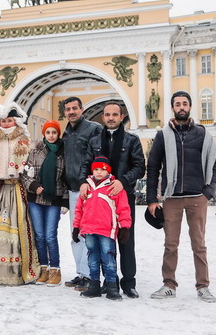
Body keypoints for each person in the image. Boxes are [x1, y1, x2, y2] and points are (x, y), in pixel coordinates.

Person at [147, 90, 216, 303]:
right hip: (172, 198)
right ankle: (169, 284)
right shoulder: (162, 135)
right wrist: (152, 199)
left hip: (198, 196)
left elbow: (215, 163)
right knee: (171, 244)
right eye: (177, 104)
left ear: (189, 107)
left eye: (185, 103)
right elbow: (153, 167)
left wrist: (209, 192)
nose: (181, 107)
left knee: (199, 243)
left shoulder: (202, 134)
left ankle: (203, 286)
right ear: (172, 108)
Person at [78, 102, 145, 298]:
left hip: (123, 196)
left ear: (122, 116)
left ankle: (128, 282)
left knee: (126, 239)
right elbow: (86, 164)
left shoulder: (132, 140)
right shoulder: (95, 141)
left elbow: (140, 166)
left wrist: (123, 181)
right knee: (102, 241)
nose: (110, 118)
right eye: (107, 114)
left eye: (115, 114)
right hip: (98, 200)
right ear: (103, 117)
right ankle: (108, 281)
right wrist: (83, 182)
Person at [0, 102, 40, 285]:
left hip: (17, 188)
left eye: (9, 120)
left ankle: (17, 272)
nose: (5, 124)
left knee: (18, 227)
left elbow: (31, 163)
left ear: (16, 121)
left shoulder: (24, 141)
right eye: (3, 121)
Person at [73, 156, 131, 300]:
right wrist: (76, 227)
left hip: (106, 230)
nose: (99, 172)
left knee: (108, 258)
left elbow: (123, 208)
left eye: (102, 169)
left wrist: (125, 227)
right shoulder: (87, 187)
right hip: (89, 230)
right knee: (92, 258)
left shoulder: (113, 187)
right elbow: (79, 209)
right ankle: (94, 286)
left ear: (108, 171)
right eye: (96, 169)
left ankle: (112, 286)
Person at [20, 120, 68, 287]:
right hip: (36, 199)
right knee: (39, 235)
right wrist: (33, 186)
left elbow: (66, 179)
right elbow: (24, 174)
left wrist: (65, 202)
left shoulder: (63, 153)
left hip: (54, 199)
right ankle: (43, 268)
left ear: (58, 134)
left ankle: (55, 270)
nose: (51, 135)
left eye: (54, 132)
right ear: (44, 134)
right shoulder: (35, 151)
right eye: (48, 132)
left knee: (50, 235)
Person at [62, 96, 102, 290]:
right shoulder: (67, 132)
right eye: (68, 109)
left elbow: (100, 157)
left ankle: (90, 275)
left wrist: (92, 181)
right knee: (76, 234)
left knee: (89, 234)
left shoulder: (94, 129)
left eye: (74, 108)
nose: (71, 112)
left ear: (82, 109)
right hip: (72, 190)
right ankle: (81, 272)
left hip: (89, 189)